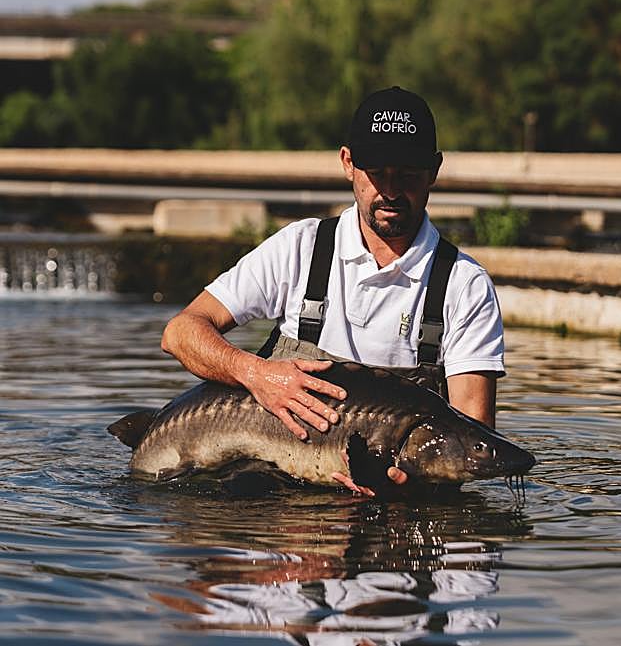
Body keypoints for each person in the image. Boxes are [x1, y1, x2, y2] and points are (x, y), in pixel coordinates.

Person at [161, 86, 505, 494]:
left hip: (390, 500)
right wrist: (257, 374)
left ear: (434, 170)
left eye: (408, 175)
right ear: (348, 163)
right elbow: (180, 332)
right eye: (377, 173)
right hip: (269, 501)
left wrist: (407, 485)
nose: (391, 192)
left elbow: (474, 439)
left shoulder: (464, 285)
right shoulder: (300, 248)